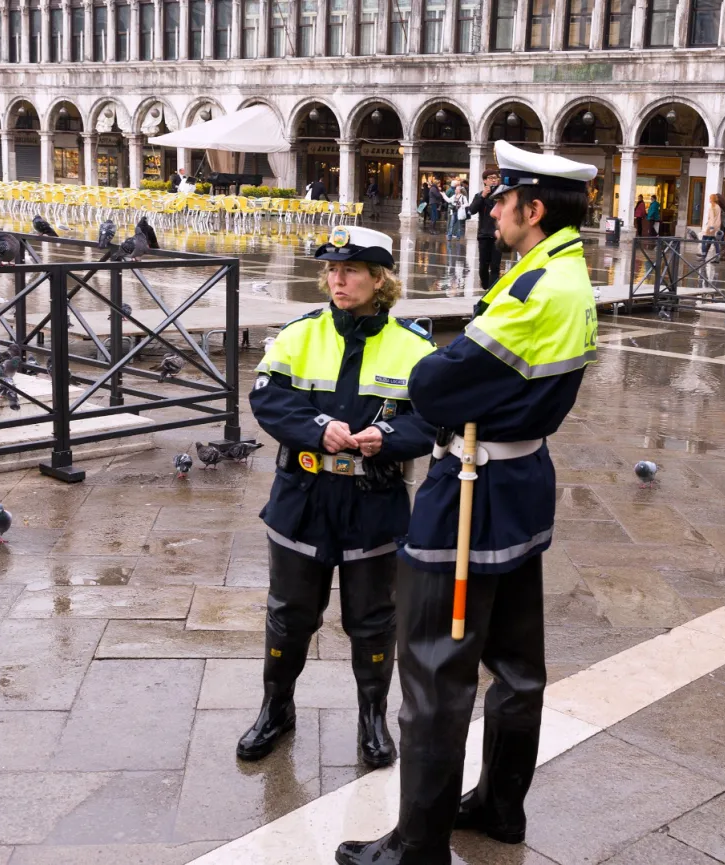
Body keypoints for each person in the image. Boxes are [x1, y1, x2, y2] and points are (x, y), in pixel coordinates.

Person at [336, 139, 599, 865]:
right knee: (516, 663)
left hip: (472, 495)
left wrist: (440, 366)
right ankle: (499, 806)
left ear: (532, 207)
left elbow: (434, 387)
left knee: (433, 670)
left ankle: (417, 845)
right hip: (521, 486)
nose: (491, 210)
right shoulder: (569, 272)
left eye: (502, 199)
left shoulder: (534, 288)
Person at [238, 225, 437, 770]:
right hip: (303, 497)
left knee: (374, 619)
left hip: (374, 503)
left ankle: (372, 718)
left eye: (349, 270)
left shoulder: (415, 348)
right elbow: (268, 399)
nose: (337, 279)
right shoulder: (300, 333)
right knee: (289, 615)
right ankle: (276, 709)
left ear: (379, 279)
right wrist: (317, 427)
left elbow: (433, 419)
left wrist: (390, 438)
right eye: (331, 269)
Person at [469, 169, 503, 289]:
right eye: (491, 178)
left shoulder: (502, 196)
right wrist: (482, 196)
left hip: (498, 235)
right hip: (484, 235)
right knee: (483, 265)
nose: (494, 180)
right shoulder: (479, 196)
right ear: (485, 181)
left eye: (496, 178)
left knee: (495, 266)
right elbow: (472, 210)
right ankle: (485, 285)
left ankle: (491, 290)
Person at [700, 192, 723, 261]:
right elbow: (718, 218)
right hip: (717, 227)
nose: (709, 199)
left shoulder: (712, 207)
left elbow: (712, 218)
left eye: (710, 198)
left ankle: (703, 255)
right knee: (716, 242)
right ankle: (717, 255)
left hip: (711, 226)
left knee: (703, 239)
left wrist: (711, 228)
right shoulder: (718, 207)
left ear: (712, 199)